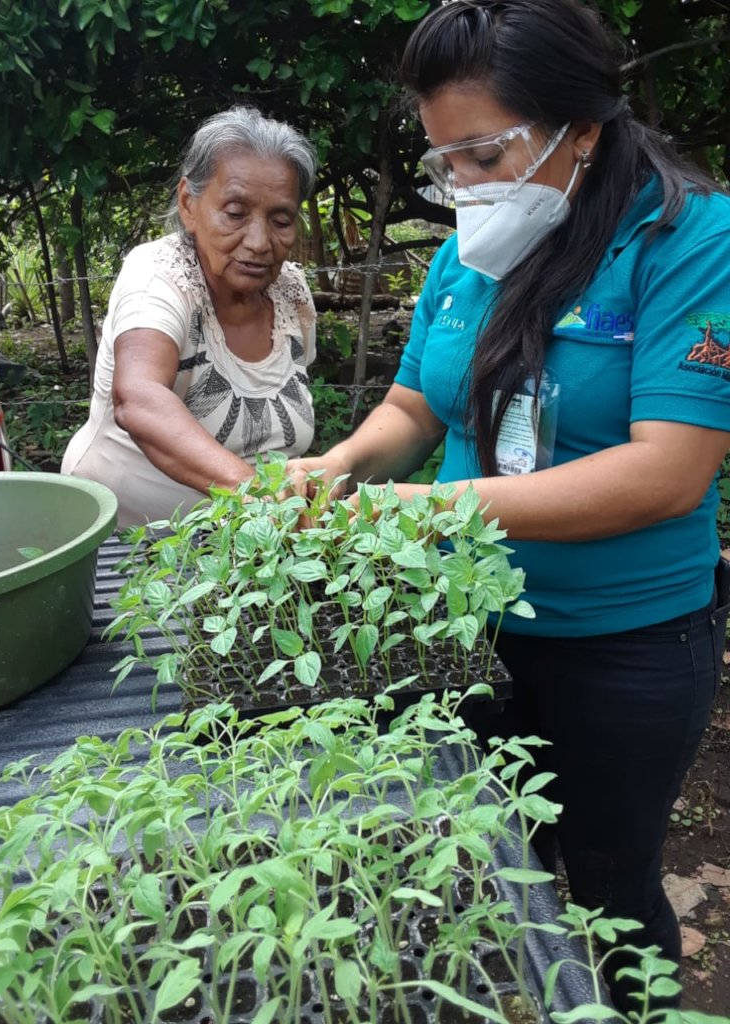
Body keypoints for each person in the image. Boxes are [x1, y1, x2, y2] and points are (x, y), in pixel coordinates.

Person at [289, 0, 730, 1012]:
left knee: (614, 883)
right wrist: (347, 463)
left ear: (581, 127)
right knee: (481, 862)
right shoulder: (475, 247)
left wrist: (425, 512)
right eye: (445, 161)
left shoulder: (691, 238)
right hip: (466, 630)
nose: (463, 186)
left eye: (484, 152)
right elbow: (415, 403)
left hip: (624, 643)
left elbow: (666, 472)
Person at [62, 107, 318, 527]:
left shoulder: (293, 294)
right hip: (125, 542)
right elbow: (140, 399)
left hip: (249, 546)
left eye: (281, 220)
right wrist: (258, 496)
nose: (258, 241)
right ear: (188, 204)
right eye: (235, 213)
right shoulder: (158, 276)